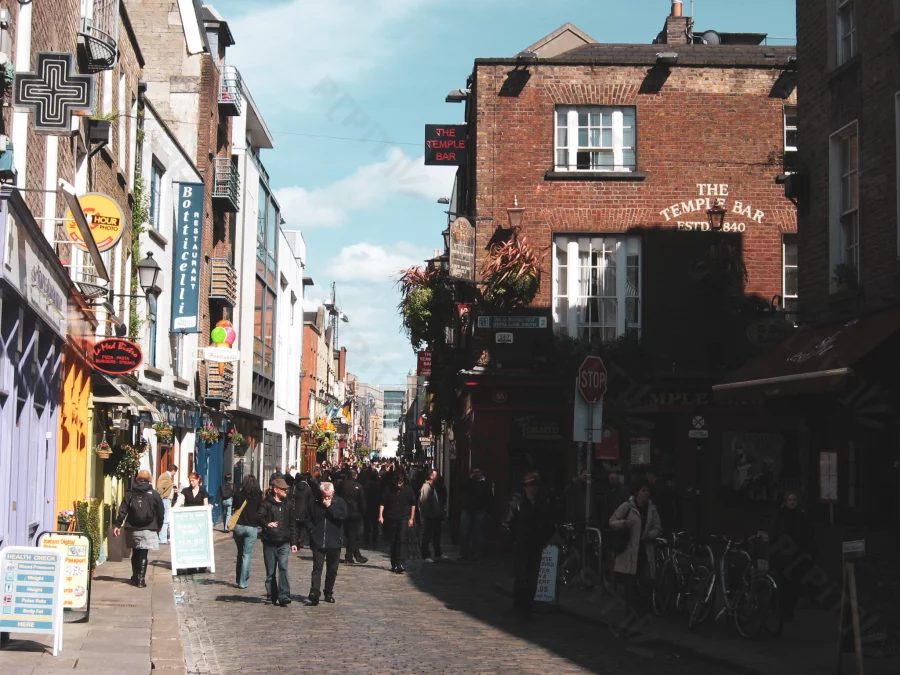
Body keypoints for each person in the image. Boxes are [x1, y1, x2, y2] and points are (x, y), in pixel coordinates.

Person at [502, 473, 555, 619]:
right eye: (530, 486)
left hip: (535, 546)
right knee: (521, 576)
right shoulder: (516, 503)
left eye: (535, 486)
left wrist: (543, 541)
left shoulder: (542, 504)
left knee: (533, 577)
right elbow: (506, 524)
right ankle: (519, 603)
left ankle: (527, 605)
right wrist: (514, 540)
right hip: (520, 546)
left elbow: (549, 526)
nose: (533, 489)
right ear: (524, 487)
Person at [608, 480, 661, 610]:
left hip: (644, 553)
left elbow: (657, 528)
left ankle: (640, 612)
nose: (646, 493)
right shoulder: (627, 506)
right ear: (637, 492)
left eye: (648, 491)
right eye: (643, 490)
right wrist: (624, 524)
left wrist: (649, 535)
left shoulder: (652, 510)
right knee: (630, 587)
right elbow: (612, 521)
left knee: (646, 584)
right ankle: (630, 614)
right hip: (629, 552)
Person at [114, 470, 165, 588]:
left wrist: (118, 524)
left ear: (137, 478)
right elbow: (161, 511)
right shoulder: (154, 493)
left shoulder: (130, 493)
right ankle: (141, 580)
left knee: (135, 552)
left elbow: (123, 509)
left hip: (132, 527)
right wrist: (159, 525)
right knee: (143, 553)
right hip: (149, 527)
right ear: (149, 479)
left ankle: (135, 575)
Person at [299, 482, 347, 605]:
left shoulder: (340, 502)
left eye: (328, 496)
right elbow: (306, 518)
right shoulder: (313, 502)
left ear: (333, 493)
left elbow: (342, 517)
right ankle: (314, 592)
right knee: (317, 568)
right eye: (324, 496)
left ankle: (328, 592)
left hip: (334, 541)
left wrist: (330, 507)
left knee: (332, 570)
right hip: (318, 540)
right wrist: (311, 531)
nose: (326, 499)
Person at [770, 490, 815, 622]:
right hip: (783, 556)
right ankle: (781, 609)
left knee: (795, 585)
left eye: (794, 500)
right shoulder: (780, 516)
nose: (792, 502)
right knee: (783, 584)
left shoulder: (801, 517)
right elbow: (775, 534)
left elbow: (807, 536)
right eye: (790, 500)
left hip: (797, 556)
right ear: (785, 502)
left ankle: (789, 610)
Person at [257, 478, 296, 607]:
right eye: (284, 489)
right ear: (276, 490)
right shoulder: (267, 503)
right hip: (270, 541)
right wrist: (267, 524)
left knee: (283, 568)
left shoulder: (288, 504)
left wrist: (294, 542)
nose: (286, 491)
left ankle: (284, 595)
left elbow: (292, 524)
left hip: (284, 541)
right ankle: (271, 595)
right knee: (271, 570)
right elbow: (259, 517)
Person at [379, 473, 416, 574]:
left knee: (402, 540)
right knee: (393, 541)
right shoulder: (388, 489)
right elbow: (382, 502)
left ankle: (400, 563)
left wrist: (411, 518)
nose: (398, 485)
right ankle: (394, 563)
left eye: (400, 483)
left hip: (404, 517)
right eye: (397, 483)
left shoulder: (408, 490)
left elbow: (413, 504)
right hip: (391, 517)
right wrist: (380, 516)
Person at [232, 475, 263, 589]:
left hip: (239, 526)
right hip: (251, 527)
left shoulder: (238, 494)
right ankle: (243, 581)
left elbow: (235, 508)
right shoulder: (258, 496)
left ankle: (238, 578)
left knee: (240, 553)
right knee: (247, 554)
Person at [336, 468, 368, 564]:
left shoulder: (341, 485)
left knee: (349, 535)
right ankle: (349, 556)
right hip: (355, 513)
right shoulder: (359, 486)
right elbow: (362, 502)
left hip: (344, 512)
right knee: (352, 535)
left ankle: (356, 555)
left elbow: (337, 496)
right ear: (355, 476)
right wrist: (363, 513)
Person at [459, 468, 490, 562]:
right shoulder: (469, 482)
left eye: (477, 472)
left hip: (479, 510)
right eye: (474, 472)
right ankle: (464, 554)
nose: (476, 474)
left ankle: (476, 554)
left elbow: (488, 498)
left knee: (478, 532)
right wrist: (470, 479)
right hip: (467, 509)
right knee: (464, 532)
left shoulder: (484, 484)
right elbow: (462, 488)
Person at [419, 470, 446, 562]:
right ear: (431, 477)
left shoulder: (434, 486)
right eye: (435, 475)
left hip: (436, 515)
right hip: (430, 515)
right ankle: (425, 555)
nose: (437, 477)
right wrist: (427, 513)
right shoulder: (426, 487)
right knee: (428, 535)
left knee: (437, 534)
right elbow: (423, 501)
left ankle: (438, 552)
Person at [156, 464, 177, 544]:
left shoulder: (165, 476)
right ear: (173, 471)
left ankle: (162, 538)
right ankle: (162, 539)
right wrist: (160, 498)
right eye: (175, 472)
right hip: (165, 500)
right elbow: (160, 488)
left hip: (166, 499)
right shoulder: (166, 477)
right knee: (166, 519)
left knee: (165, 519)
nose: (174, 474)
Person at [363, 471, 382, 546]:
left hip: (367, 506)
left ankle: (366, 537)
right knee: (375, 524)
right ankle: (374, 537)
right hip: (375, 506)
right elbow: (379, 497)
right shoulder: (378, 486)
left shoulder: (365, 486)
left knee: (367, 523)